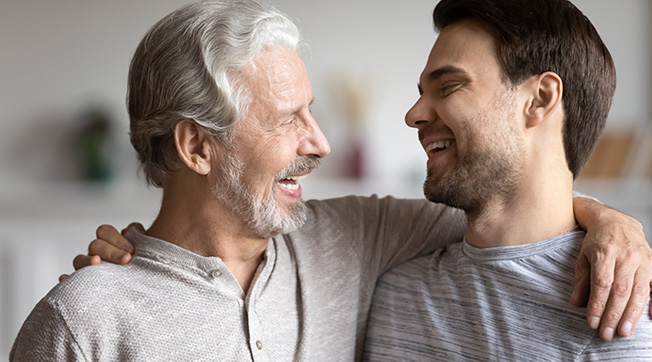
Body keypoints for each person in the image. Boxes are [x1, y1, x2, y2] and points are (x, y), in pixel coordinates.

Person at [12, 0, 650, 361]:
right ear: (195, 146)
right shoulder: (83, 321)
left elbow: (512, 209)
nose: (319, 143)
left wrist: (612, 222)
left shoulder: (348, 240)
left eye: (448, 86)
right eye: (290, 119)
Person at [363, 0, 652, 360]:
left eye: (449, 86)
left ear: (540, 99)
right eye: (421, 92)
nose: (413, 115)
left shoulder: (625, 320)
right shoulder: (393, 293)